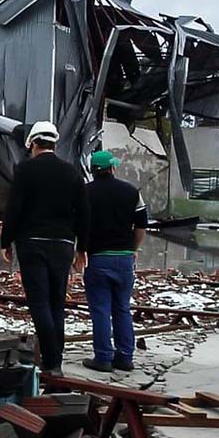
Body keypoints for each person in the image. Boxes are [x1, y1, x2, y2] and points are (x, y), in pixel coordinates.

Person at [0, 121, 89, 375]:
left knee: (39, 302)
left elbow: (14, 207)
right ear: (54, 144)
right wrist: (82, 247)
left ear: (33, 144)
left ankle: (52, 361)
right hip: (63, 244)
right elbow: (84, 212)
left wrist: (6, 241)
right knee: (56, 301)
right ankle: (54, 358)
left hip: (32, 243)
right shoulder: (71, 172)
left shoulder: (25, 170)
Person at [76, 150, 147, 373]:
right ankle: (125, 357)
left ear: (93, 171)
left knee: (100, 310)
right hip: (124, 259)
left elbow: (78, 225)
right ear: (112, 168)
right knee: (122, 309)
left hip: (97, 258)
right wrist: (132, 249)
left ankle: (103, 358)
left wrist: (80, 251)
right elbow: (141, 225)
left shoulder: (85, 192)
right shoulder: (131, 191)